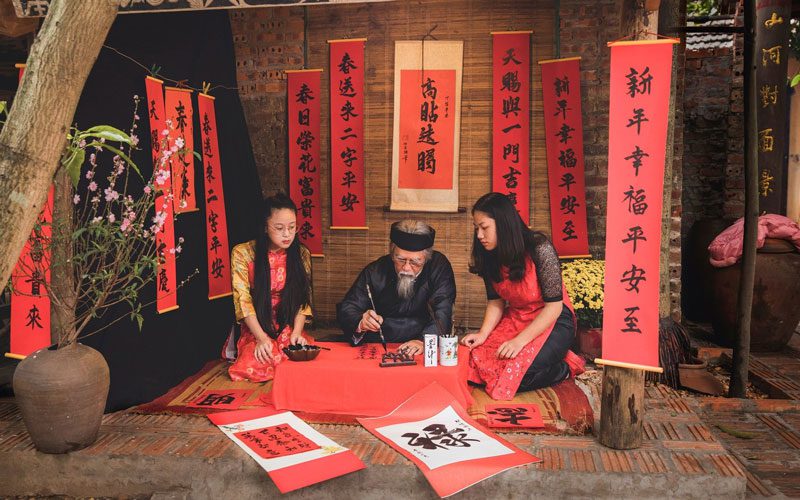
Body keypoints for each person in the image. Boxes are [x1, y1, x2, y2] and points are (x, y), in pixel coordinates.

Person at [461, 192, 585, 400]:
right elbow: (496, 302)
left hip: (552, 320)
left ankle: (564, 367)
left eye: (484, 227)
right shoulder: (489, 255)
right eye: (476, 229)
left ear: (503, 224)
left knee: (516, 372)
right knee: (473, 362)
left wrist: (519, 342)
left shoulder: (540, 248)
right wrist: (482, 335)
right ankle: (547, 357)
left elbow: (554, 307)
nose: (480, 235)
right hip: (517, 318)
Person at [221, 193, 313, 382]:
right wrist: (261, 338)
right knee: (256, 363)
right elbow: (243, 301)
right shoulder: (243, 253)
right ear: (265, 226)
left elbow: (303, 299)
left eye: (292, 227)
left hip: (287, 321)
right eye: (279, 228)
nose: (287, 234)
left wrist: (296, 332)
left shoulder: (301, 254)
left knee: (297, 358)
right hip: (258, 323)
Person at [337, 220, 456, 355]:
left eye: (414, 262)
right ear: (392, 254)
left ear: (426, 258)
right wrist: (361, 321)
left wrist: (423, 341)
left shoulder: (438, 266)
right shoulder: (375, 270)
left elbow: (443, 309)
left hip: (422, 338)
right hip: (382, 341)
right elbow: (349, 307)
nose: (406, 267)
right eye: (400, 259)